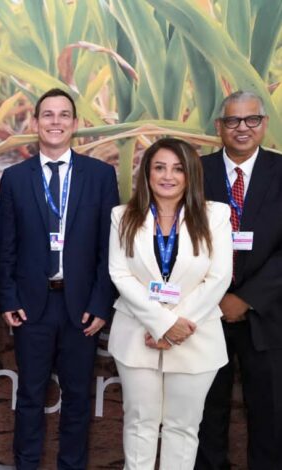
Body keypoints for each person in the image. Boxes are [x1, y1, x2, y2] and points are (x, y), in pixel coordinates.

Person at [0, 88, 118, 469]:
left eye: (64, 115)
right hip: (32, 306)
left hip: (80, 308)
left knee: (78, 398)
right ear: (35, 123)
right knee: (30, 396)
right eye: (47, 115)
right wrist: (8, 297)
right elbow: (6, 245)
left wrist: (101, 303)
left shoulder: (100, 176)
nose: (55, 122)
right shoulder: (15, 178)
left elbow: (108, 247)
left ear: (75, 124)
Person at [108, 138, 232, 469]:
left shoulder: (216, 215)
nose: (168, 176)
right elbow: (120, 274)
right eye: (159, 167)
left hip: (195, 335)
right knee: (139, 424)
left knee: (183, 427)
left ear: (191, 174)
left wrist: (177, 327)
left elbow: (218, 277)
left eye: (178, 169)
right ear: (147, 173)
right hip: (138, 335)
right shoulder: (123, 216)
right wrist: (161, 324)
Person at [196, 91, 282, 469]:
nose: (242, 128)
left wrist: (245, 298)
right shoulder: (196, 171)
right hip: (205, 314)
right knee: (206, 414)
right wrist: (213, 297)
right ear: (219, 126)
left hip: (267, 314)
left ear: (264, 124)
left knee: (270, 415)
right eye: (233, 120)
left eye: (251, 119)